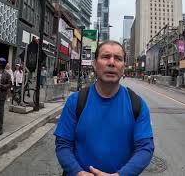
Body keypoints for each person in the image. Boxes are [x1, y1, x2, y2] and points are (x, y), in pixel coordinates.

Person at [54, 40, 154, 176]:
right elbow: (63, 144)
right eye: (105, 57)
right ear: (94, 64)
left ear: (123, 66)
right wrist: (77, 172)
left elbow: (145, 148)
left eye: (118, 58)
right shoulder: (76, 101)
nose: (111, 62)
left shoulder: (137, 104)